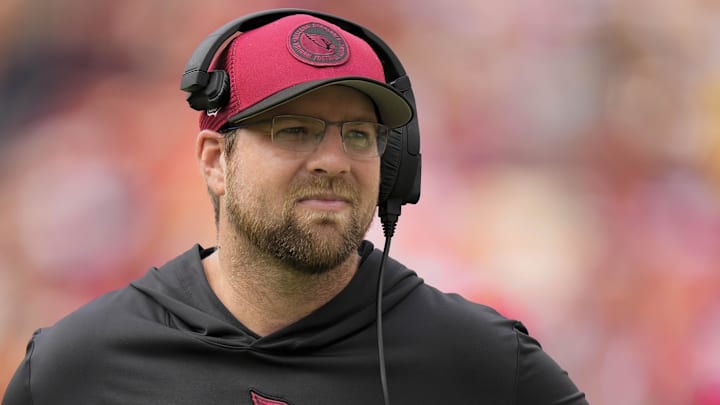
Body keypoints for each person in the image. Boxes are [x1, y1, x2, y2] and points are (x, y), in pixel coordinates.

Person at [2, 9, 588, 405]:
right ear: (215, 161)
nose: (334, 159)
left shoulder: (482, 362)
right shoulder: (76, 365)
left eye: (358, 135)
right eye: (295, 131)